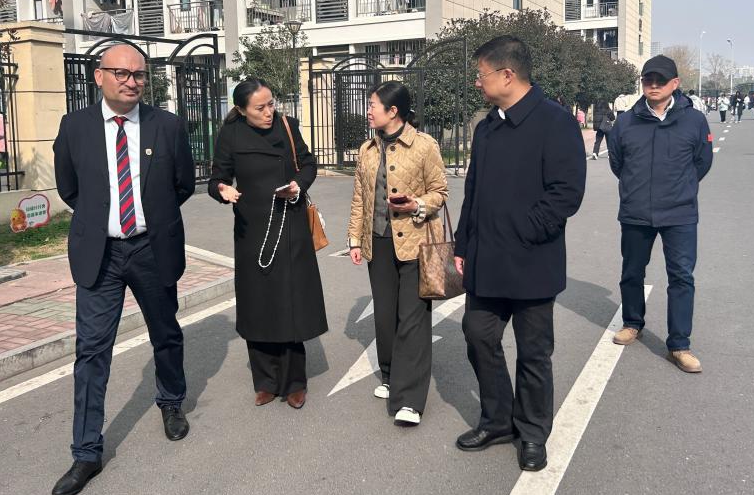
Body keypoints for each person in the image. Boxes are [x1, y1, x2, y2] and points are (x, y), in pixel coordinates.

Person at [51, 44, 195, 495]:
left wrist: (148, 217)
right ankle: (86, 451)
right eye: (121, 73)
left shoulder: (167, 126)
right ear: (99, 76)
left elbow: (182, 185)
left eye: (139, 74)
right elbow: (69, 188)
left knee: (165, 334)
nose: (132, 81)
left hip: (152, 249)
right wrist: (106, 220)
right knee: (91, 351)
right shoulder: (74, 127)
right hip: (102, 254)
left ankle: (171, 401)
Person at [452, 36, 587, 472]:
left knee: (534, 353)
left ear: (507, 75)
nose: (477, 82)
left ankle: (532, 432)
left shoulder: (555, 123)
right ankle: (497, 420)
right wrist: (462, 245)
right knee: (478, 334)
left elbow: (566, 193)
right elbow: (473, 192)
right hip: (486, 260)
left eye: (482, 74)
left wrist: (526, 231)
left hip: (532, 261)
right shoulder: (487, 127)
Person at [208, 78, 327, 410]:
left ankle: (294, 382)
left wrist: (297, 185)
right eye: (260, 107)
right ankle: (265, 381)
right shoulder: (231, 133)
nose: (268, 112)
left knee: (290, 303)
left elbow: (308, 164)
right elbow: (217, 177)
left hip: (289, 225)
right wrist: (222, 190)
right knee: (258, 305)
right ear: (241, 109)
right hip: (253, 230)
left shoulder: (287, 126)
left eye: (271, 103)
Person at [347, 82, 449, 426]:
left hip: (417, 243)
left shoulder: (424, 146)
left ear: (393, 112)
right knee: (385, 315)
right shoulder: (367, 150)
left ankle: (410, 400)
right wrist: (354, 239)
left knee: (413, 318)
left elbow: (440, 192)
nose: (368, 110)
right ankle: (390, 375)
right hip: (378, 242)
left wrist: (416, 204)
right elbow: (360, 198)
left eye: (373, 105)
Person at [606, 55, 713, 373]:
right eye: (648, 80)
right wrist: (636, 188)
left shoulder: (694, 121)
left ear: (675, 84)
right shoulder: (626, 122)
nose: (653, 85)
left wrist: (680, 188)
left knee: (681, 277)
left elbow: (702, 162)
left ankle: (679, 345)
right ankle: (632, 323)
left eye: (660, 80)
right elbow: (617, 163)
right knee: (632, 271)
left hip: (680, 213)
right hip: (636, 211)